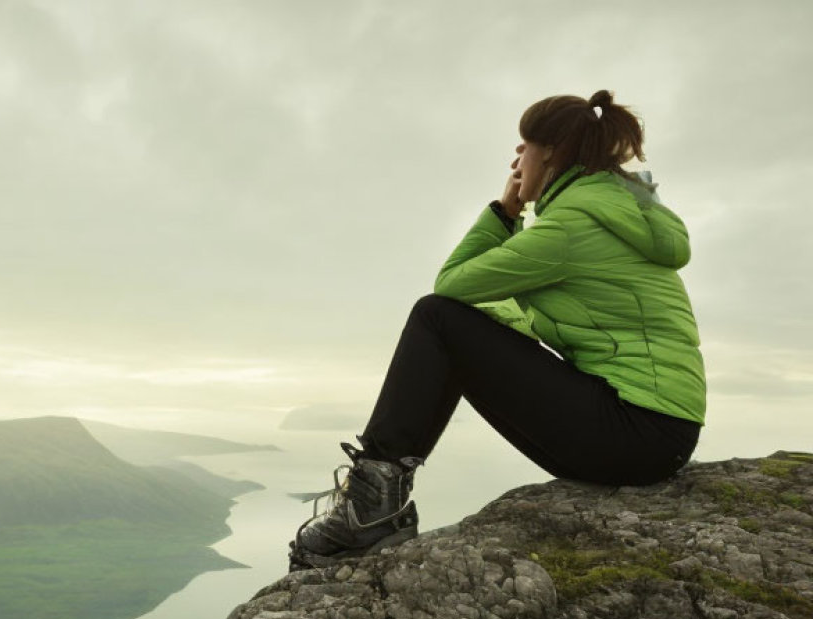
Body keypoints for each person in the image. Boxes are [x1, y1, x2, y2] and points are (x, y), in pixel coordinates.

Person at [288, 89, 706, 573]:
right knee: (450, 324)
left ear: (549, 152)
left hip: (633, 433)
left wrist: (504, 214)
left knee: (435, 318)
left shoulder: (569, 228)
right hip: (659, 434)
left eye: (522, 146)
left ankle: (372, 507)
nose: (516, 159)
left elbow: (450, 289)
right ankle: (376, 502)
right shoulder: (611, 213)